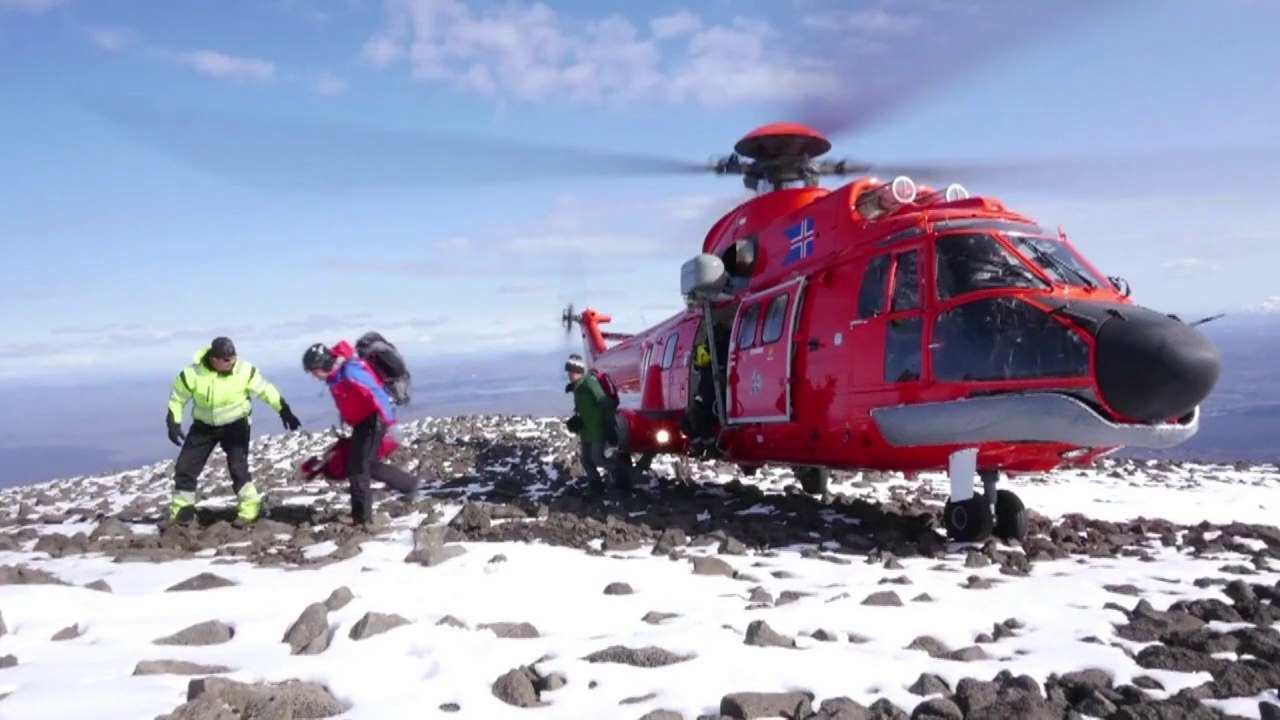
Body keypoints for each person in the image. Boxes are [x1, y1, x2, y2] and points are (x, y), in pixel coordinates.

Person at [166, 336, 301, 526]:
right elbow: (177, 398)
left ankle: (249, 509)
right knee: (185, 467)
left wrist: (283, 410)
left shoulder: (243, 370)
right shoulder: (192, 374)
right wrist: (173, 421)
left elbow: (265, 389)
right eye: (227, 359)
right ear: (214, 358)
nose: (232, 362)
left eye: (233, 357)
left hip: (236, 425)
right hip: (204, 427)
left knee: (238, 467)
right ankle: (183, 513)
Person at [301, 340, 397, 526]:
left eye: (315, 371)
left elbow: (376, 393)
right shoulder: (336, 375)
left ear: (323, 364)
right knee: (356, 466)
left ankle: (364, 520)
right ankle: (360, 517)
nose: (315, 376)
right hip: (363, 423)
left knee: (360, 469)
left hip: (374, 421)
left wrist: (390, 422)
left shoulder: (351, 370)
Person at [563, 354, 626, 491]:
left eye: (573, 371)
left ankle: (620, 471)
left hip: (597, 429)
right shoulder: (578, 386)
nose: (570, 374)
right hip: (586, 429)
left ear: (580, 371)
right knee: (586, 460)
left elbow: (605, 402)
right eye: (569, 371)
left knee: (598, 459)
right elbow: (584, 406)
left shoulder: (590, 382)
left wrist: (610, 426)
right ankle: (595, 484)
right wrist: (577, 418)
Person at [300, 431, 421, 498]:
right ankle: (408, 484)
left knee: (373, 468)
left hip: (358, 452)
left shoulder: (331, 465)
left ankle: (409, 484)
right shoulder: (331, 463)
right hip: (359, 449)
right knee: (374, 468)